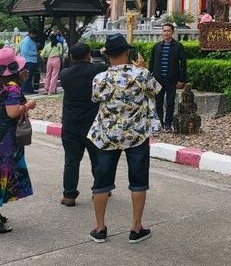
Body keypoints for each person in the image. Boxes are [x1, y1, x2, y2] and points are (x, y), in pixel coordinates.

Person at [88, 34, 161, 243]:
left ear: (107, 55)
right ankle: (136, 228)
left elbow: (95, 99)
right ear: (127, 52)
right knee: (138, 181)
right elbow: (155, 91)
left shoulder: (100, 79)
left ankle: (100, 228)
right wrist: (142, 67)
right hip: (136, 135)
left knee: (101, 181)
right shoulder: (141, 74)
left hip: (107, 135)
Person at [58, 43, 108, 207]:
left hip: (70, 123)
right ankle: (100, 189)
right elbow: (110, 67)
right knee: (97, 159)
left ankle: (69, 195)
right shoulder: (98, 70)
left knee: (71, 160)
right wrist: (105, 54)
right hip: (92, 123)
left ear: (71, 57)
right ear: (89, 56)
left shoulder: (64, 74)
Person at [0, 46, 36, 233]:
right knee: (3, 177)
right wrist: (28, 105)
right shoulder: (11, 88)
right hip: (5, 140)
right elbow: (13, 112)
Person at [149, 24, 187, 132]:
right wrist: (151, 77)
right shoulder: (156, 47)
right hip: (158, 80)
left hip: (172, 79)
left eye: (168, 31)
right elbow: (151, 63)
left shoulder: (178, 46)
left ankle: (168, 124)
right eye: (164, 31)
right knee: (159, 103)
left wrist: (181, 80)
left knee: (170, 102)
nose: (166, 33)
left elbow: (183, 64)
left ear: (172, 32)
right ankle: (160, 123)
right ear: (162, 32)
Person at [17, 29, 39, 94]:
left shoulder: (27, 40)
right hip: (29, 61)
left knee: (29, 76)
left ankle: (29, 90)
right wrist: (35, 53)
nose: (35, 36)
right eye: (34, 34)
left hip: (29, 60)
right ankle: (25, 90)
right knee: (28, 77)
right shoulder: (27, 41)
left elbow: (19, 49)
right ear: (30, 34)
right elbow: (25, 51)